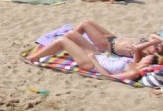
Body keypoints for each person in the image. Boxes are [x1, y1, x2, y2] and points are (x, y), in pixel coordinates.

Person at [26, 30, 159, 81]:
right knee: (72, 34)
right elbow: (137, 52)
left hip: (91, 64)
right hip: (99, 55)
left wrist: (93, 61)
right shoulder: (135, 63)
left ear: (147, 64)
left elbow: (109, 77)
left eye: (148, 59)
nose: (146, 58)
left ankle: (34, 58)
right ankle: (54, 49)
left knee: (63, 41)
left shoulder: (133, 72)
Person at [28, 20, 163, 63]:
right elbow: (152, 35)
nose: (156, 47)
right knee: (87, 22)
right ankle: (73, 39)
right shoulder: (152, 44)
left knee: (83, 26)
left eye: (157, 49)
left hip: (107, 46)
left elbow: (137, 53)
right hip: (113, 37)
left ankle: (70, 41)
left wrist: (152, 45)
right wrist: (158, 41)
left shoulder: (144, 54)